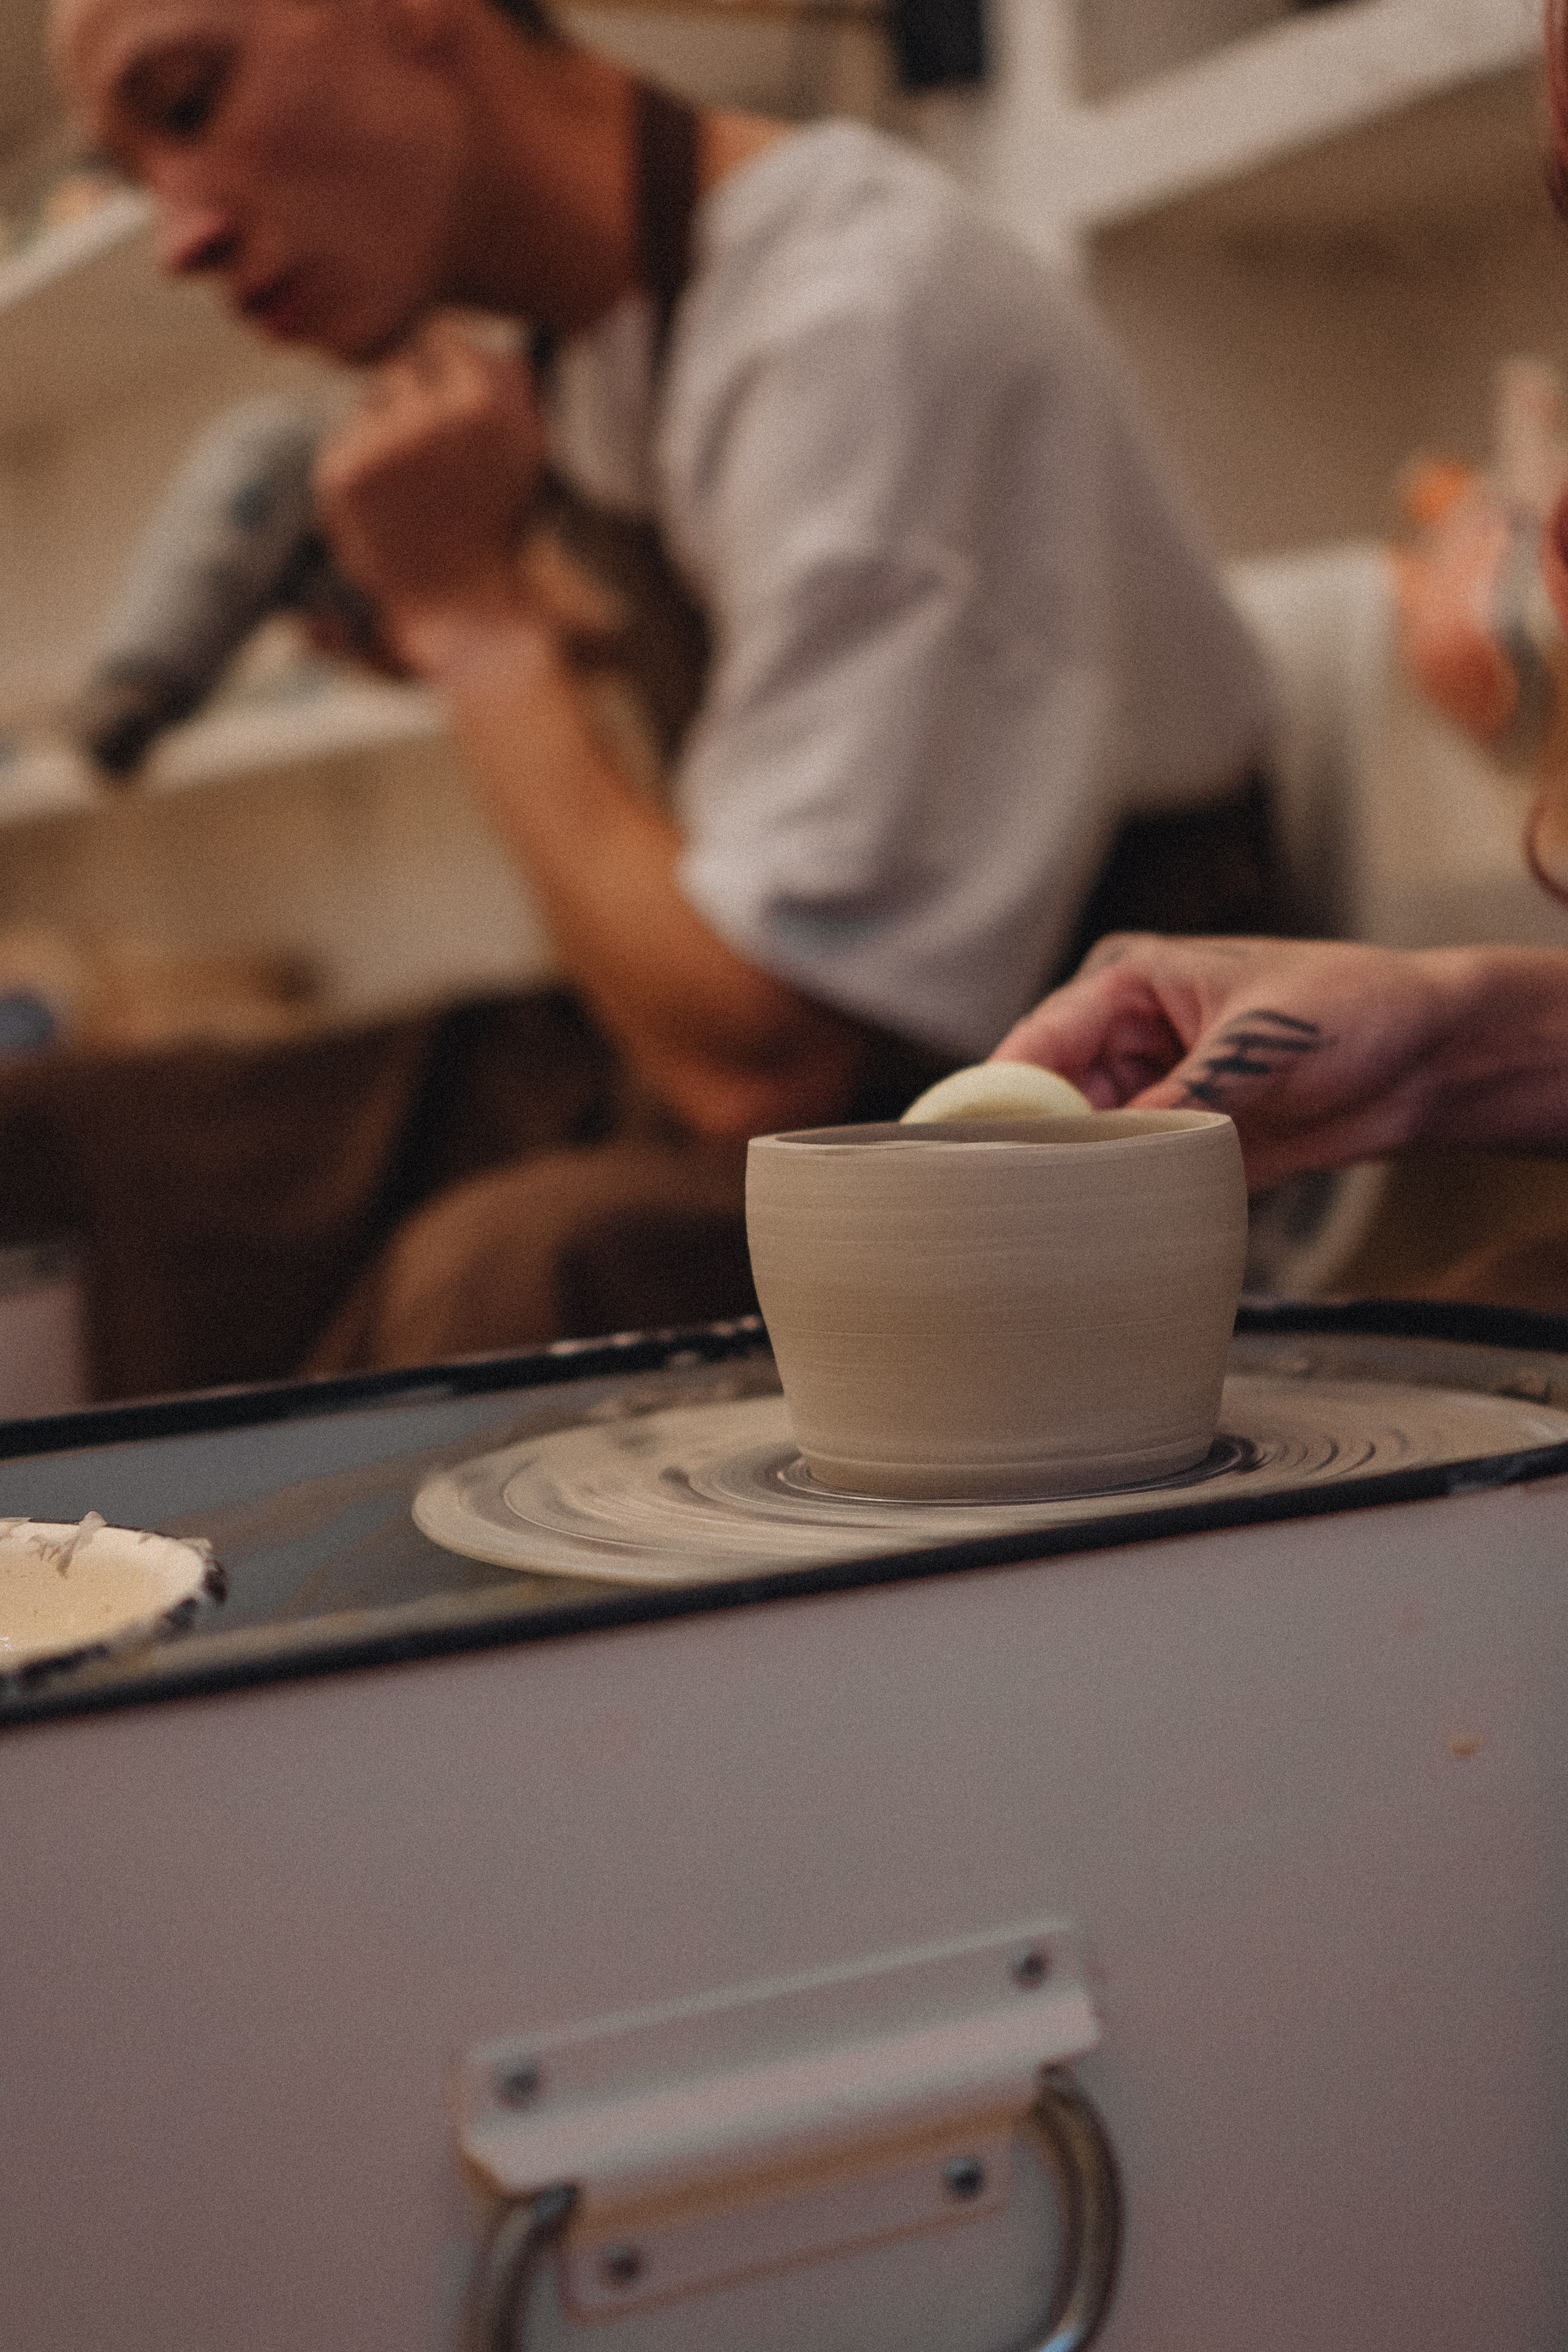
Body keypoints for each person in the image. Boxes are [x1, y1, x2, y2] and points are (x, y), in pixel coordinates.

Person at [51, 0, 1273, 1376]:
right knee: (65, 1138)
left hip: (1022, 1092)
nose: (181, 238)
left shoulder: (852, 311)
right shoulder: (601, 336)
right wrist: (537, 634)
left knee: (504, 1269)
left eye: (191, 102)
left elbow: (761, 1063)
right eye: (133, 171)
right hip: (781, 1031)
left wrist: (475, 626)